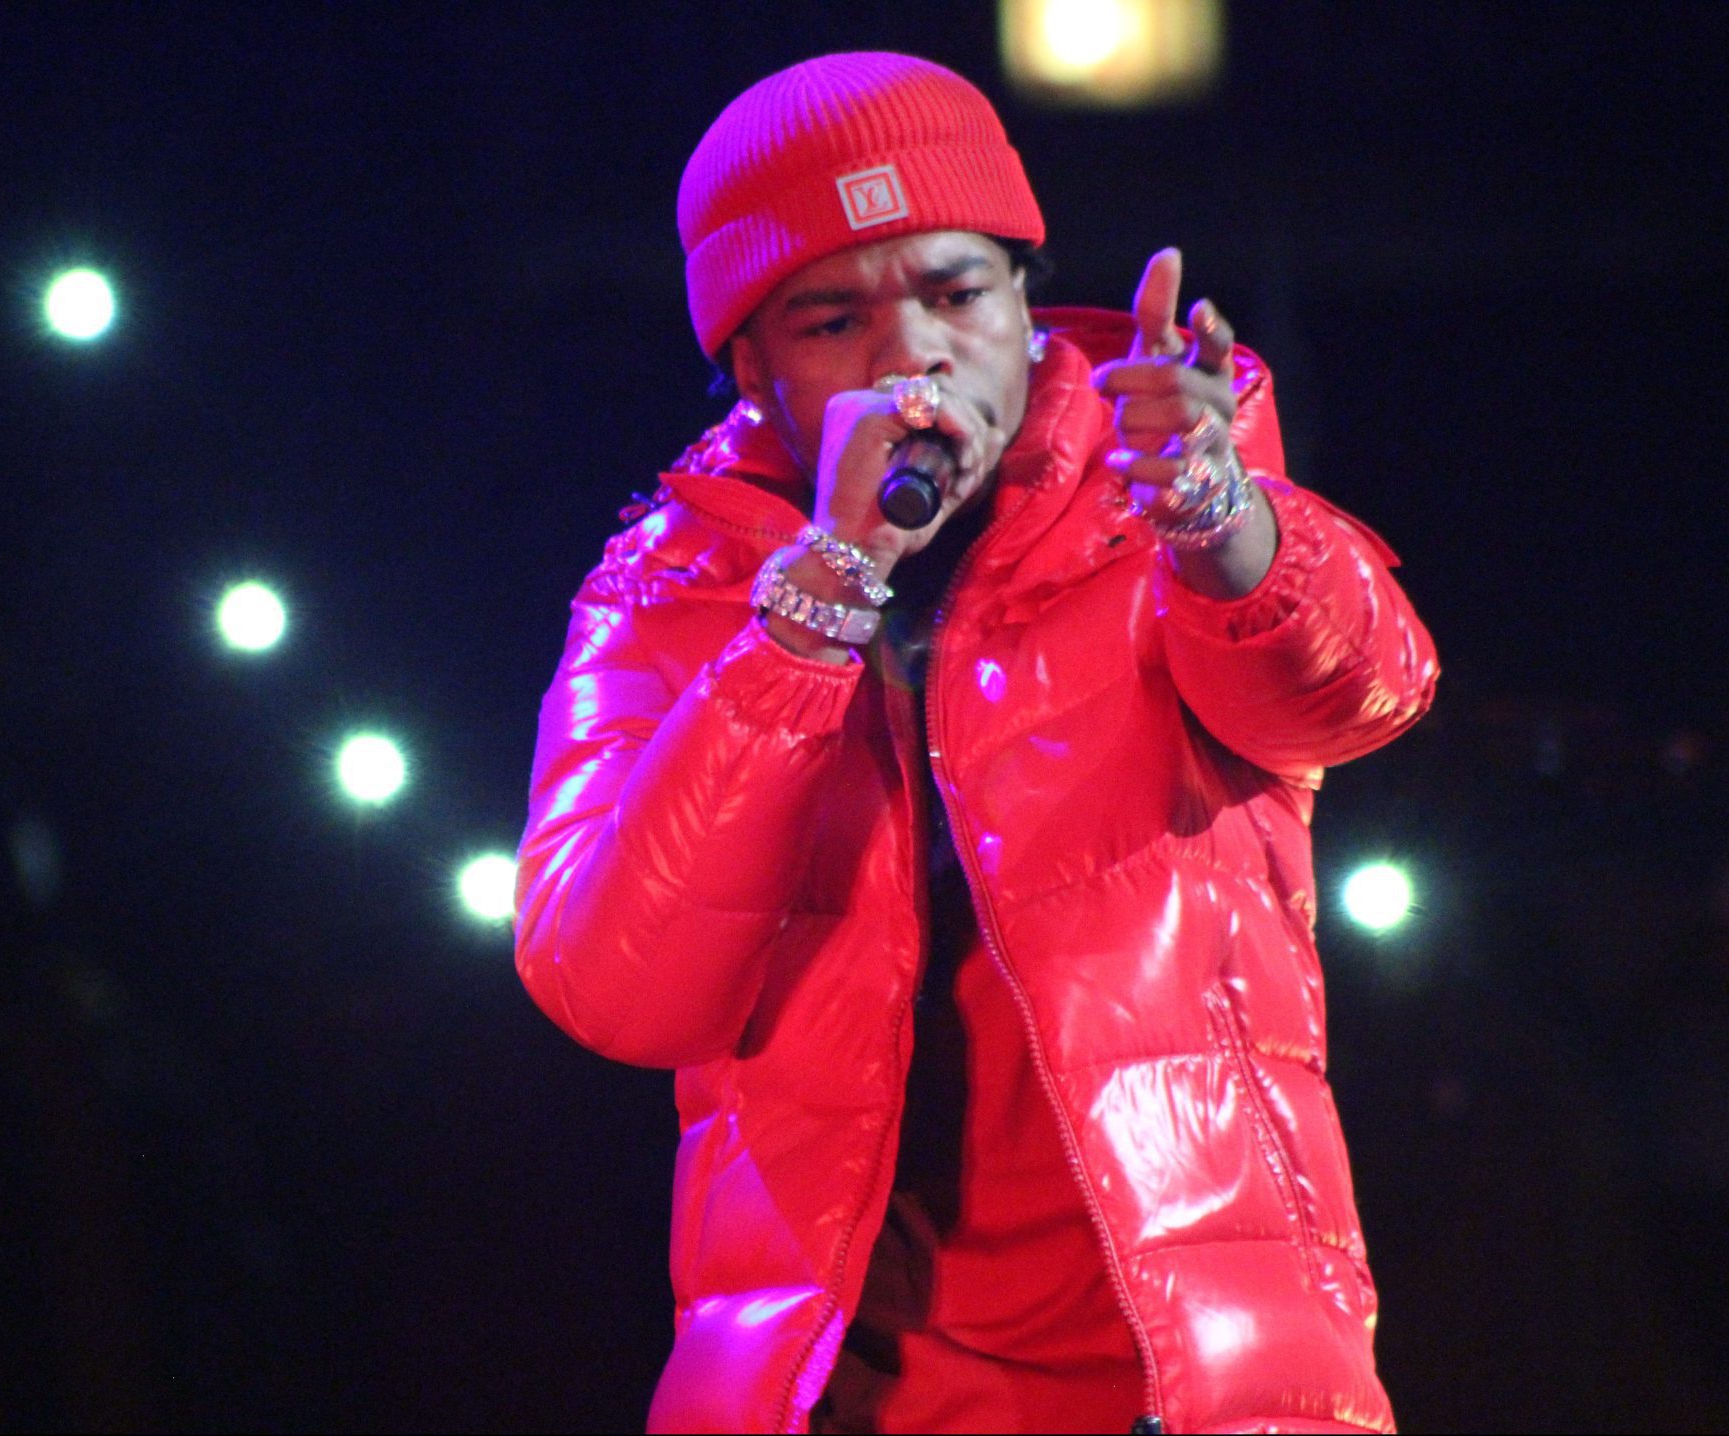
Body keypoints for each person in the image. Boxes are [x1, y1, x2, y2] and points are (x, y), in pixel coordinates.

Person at [514, 51, 1437, 1436]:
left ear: (1023, 295)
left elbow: (1361, 692)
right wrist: (819, 599)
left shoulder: (1162, 501)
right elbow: (616, 987)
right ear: (748, 367)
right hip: (848, 1397)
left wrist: (1215, 516)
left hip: (1201, 1381)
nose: (913, 355)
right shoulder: (665, 598)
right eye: (833, 319)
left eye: (956, 293)